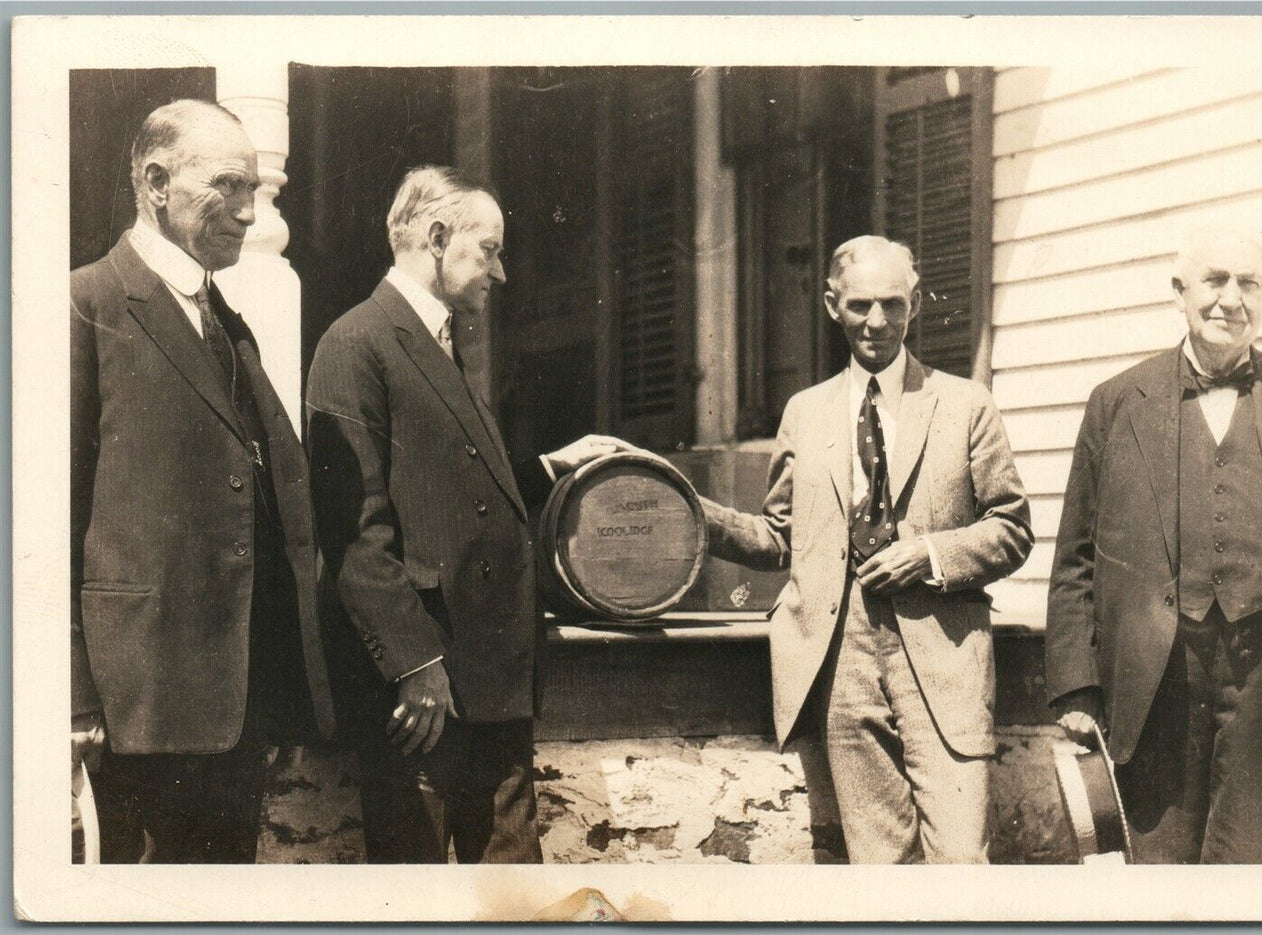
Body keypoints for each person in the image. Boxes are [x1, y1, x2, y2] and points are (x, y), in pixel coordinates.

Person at [306, 166, 629, 864]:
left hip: (488, 686)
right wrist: (414, 663)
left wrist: (547, 468)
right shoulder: (355, 343)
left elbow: (448, 492)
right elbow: (354, 532)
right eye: (490, 249)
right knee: (417, 898)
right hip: (427, 697)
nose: (502, 272)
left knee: (514, 896)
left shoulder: (436, 343)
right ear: (436, 235)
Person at [698, 235, 1033, 863]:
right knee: (879, 869)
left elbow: (1012, 529)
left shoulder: (965, 404)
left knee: (961, 863)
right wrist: (693, 514)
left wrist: (929, 554)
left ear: (914, 305)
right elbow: (781, 540)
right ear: (831, 305)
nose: (876, 322)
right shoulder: (806, 411)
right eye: (859, 306)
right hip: (841, 659)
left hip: (943, 657)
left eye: (892, 304)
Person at [1046, 224, 1262, 864]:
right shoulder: (1116, 403)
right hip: (1153, 671)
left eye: (1250, 284)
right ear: (1180, 291)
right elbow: (1075, 556)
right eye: (1215, 281)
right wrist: (1077, 686)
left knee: (1241, 858)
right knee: (1155, 859)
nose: (1230, 299)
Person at [70, 99, 334, 863]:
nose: (250, 213)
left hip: (233, 705)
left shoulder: (222, 319)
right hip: (137, 708)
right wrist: (72, 692)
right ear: (156, 182)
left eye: (254, 189)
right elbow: (38, 522)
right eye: (228, 186)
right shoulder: (84, 305)